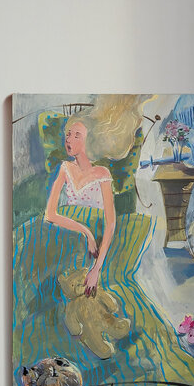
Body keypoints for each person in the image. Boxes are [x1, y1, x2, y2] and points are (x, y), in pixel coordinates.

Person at [44, 117, 116, 297]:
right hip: (72, 240)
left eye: (77, 135)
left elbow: (110, 224)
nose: (69, 139)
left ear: (89, 141)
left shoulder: (102, 173)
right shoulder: (65, 168)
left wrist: (96, 269)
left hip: (96, 251)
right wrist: (86, 232)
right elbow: (50, 214)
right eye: (68, 134)